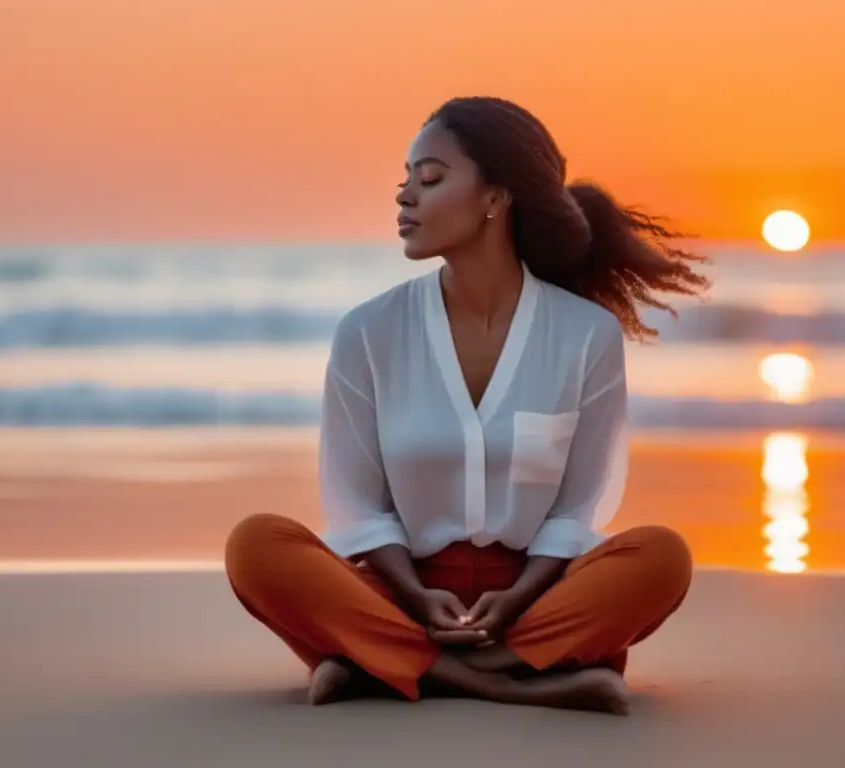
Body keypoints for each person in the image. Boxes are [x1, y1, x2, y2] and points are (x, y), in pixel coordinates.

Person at [225, 96, 710, 715]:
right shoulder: (368, 332)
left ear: (495, 197)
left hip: (537, 598)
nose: (405, 196)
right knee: (257, 545)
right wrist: (415, 596)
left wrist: (520, 595)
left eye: (429, 179)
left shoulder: (585, 334)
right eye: (404, 181)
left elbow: (581, 503)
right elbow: (355, 504)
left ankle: (385, 667)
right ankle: (507, 679)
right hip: (399, 595)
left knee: (661, 556)